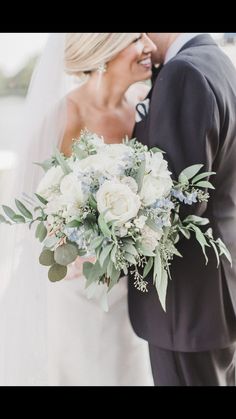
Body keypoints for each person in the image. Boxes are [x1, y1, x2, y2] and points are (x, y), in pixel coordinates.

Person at [0, 33, 156, 386]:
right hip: (75, 293)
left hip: (127, 295)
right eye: (136, 38)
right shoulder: (64, 116)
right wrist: (67, 250)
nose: (149, 45)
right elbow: (29, 206)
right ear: (104, 52)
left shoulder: (142, 111)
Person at [128, 33, 236, 386]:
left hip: (186, 300)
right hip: (215, 289)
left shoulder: (182, 72)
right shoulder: (218, 62)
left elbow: (172, 203)